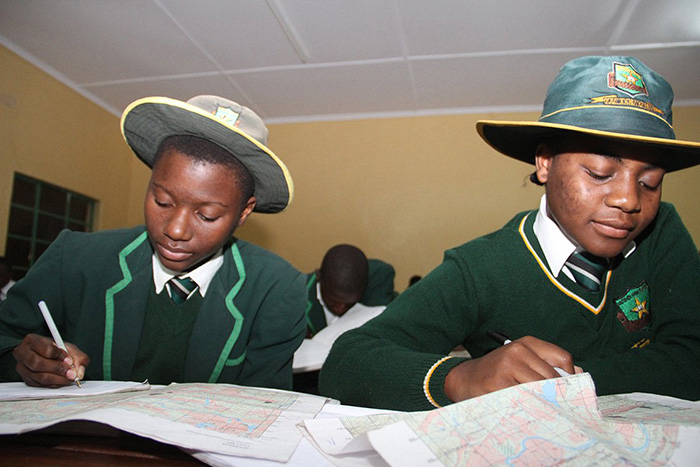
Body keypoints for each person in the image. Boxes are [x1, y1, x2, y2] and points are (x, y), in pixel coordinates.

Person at [319, 56, 700, 411]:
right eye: (600, 174)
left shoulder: (662, 232)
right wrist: (459, 378)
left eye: (650, 182)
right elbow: (348, 363)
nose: (629, 200)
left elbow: (692, 356)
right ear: (545, 163)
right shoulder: (480, 270)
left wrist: (568, 383)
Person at [0, 95, 307, 390]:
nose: (175, 230)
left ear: (244, 212)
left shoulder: (275, 290)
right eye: (162, 201)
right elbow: (6, 338)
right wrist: (23, 361)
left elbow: (264, 406)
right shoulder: (75, 258)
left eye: (207, 215)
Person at [304, 245, 396, 337]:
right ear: (319, 277)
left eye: (349, 303)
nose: (341, 309)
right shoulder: (297, 299)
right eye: (333, 301)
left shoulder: (378, 281)